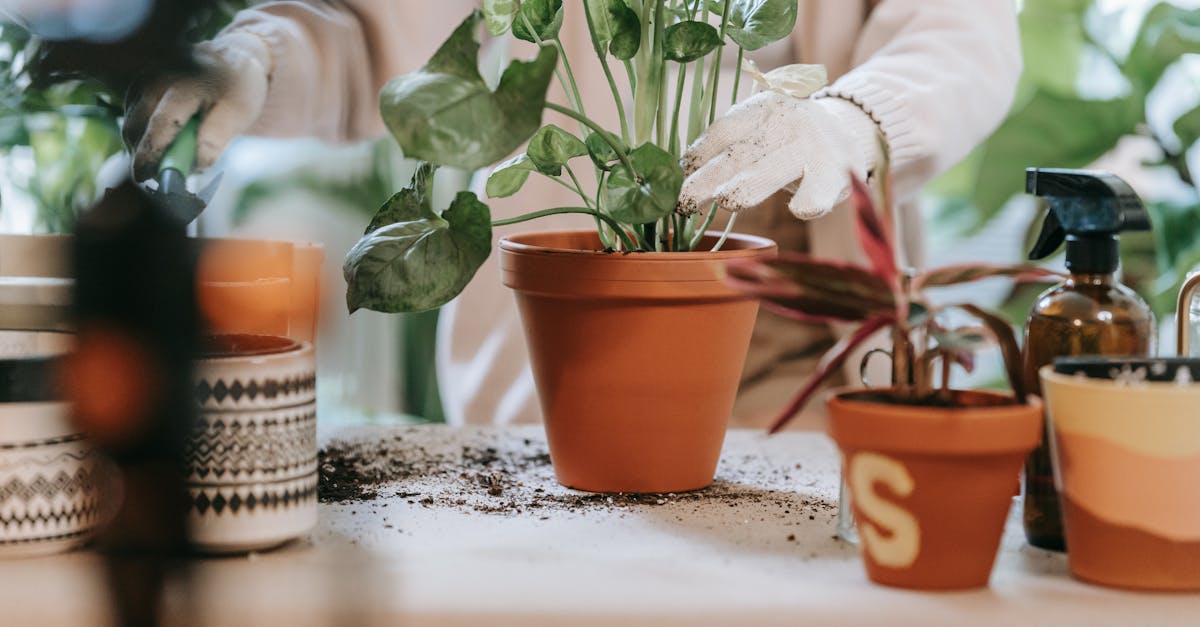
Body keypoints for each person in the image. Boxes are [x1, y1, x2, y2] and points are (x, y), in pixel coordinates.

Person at [124, 0, 1022, 429]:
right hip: (554, 399)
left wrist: (851, 119)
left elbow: (962, 33)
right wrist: (259, 61)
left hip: (803, 392)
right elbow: (367, 36)